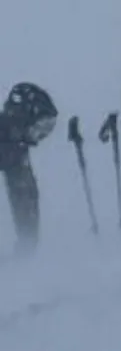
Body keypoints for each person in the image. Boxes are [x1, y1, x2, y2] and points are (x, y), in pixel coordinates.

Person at [0, 82, 58, 253]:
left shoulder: (16, 141)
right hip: (13, 155)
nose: (39, 138)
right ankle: (27, 244)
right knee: (25, 195)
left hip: (14, 156)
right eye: (39, 132)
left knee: (25, 196)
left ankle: (27, 245)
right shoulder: (12, 136)